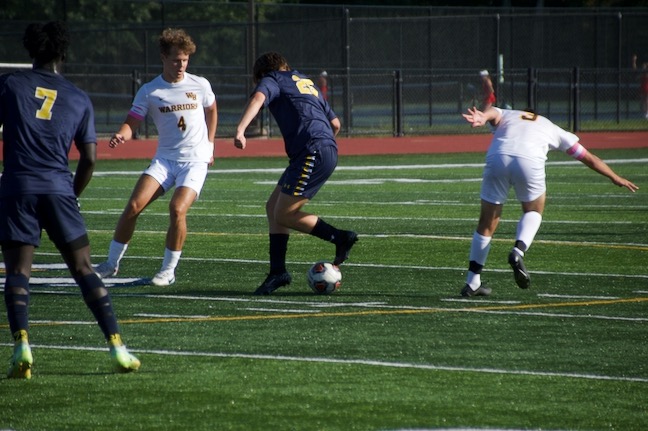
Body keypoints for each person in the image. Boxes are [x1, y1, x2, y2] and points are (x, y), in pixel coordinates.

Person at [0, 21, 140, 378]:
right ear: (63, 53)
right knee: (84, 269)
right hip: (60, 190)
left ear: (30, 49)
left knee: (18, 272)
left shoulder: (10, 84)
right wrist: (70, 195)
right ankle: (117, 347)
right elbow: (89, 158)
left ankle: (21, 346)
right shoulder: (78, 97)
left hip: (18, 188)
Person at [460, 106, 638, 297]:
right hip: (529, 160)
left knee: (487, 223)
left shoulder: (511, 114)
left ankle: (472, 282)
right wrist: (614, 177)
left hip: (498, 156)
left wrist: (482, 116)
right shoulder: (551, 127)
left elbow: (493, 112)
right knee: (533, 209)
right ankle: (518, 251)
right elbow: (588, 158)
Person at [94, 28, 218, 286]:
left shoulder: (200, 84)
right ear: (163, 57)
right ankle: (111, 264)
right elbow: (132, 122)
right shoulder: (150, 91)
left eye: (185, 60)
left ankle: (168, 270)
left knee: (177, 209)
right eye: (176, 60)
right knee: (133, 206)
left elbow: (212, 109)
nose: (181, 65)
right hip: (164, 161)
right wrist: (121, 134)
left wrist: (210, 145)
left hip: (194, 161)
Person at [234, 52, 357, 295]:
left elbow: (259, 98)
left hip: (311, 151)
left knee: (283, 213)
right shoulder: (304, 80)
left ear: (262, 74)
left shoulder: (272, 78)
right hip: (317, 149)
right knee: (273, 207)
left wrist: (240, 129)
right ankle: (277, 271)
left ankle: (339, 237)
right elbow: (336, 124)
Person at [631, 54, 648, 120]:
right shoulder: (642, 72)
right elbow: (635, 71)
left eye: (644, 66)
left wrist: (641, 76)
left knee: (646, 100)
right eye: (643, 66)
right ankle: (644, 112)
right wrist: (634, 61)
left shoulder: (645, 73)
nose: (643, 66)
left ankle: (646, 112)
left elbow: (644, 76)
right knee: (642, 101)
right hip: (643, 87)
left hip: (647, 87)